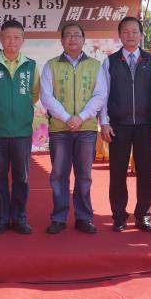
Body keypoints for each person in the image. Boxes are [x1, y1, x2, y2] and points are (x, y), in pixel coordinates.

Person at [100, 16, 151, 233]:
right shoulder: (109, 62)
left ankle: (143, 215)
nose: (130, 35)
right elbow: (103, 94)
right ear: (119, 35)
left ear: (141, 35)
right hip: (119, 125)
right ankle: (119, 216)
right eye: (126, 32)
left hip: (145, 125)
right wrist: (104, 122)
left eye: (135, 31)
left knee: (146, 173)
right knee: (117, 173)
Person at [41, 22, 106, 234]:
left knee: (84, 175)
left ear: (83, 39)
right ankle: (59, 218)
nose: (72, 38)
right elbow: (46, 96)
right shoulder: (51, 65)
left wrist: (81, 117)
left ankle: (84, 217)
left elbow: (100, 95)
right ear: (61, 41)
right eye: (67, 35)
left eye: (76, 35)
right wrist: (68, 118)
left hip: (86, 128)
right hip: (60, 129)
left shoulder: (95, 66)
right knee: (59, 175)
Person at [0, 19, 40, 235]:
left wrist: (20, 111)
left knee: (22, 178)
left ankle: (20, 218)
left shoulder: (31, 65)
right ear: (0, 39)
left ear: (23, 40)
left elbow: (34, 94)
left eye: (16, 37)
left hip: (22, 132)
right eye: (7, 37)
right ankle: (2, 219)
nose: (12, 41)